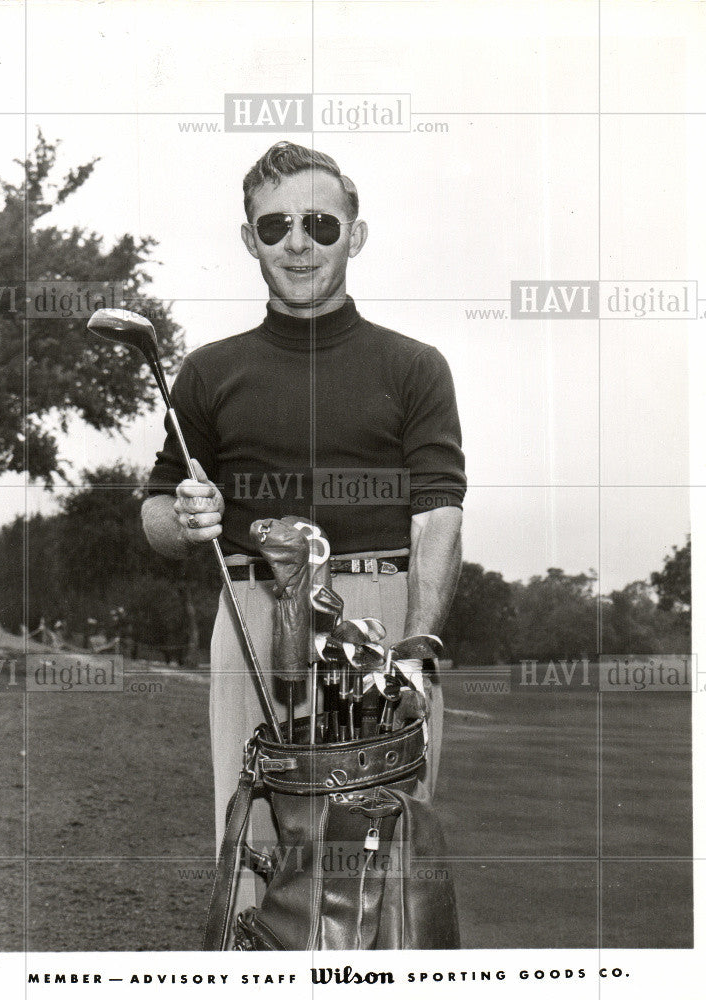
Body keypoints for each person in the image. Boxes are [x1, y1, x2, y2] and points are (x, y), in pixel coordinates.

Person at [141, 141, 466, 910]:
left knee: (379, 876)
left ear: (353, 235)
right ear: (248, 238)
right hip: (254, 616)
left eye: (320, 224)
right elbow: (156, 508)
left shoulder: (414, 366)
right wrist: (182, 520)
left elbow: (438, 516)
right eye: (275, 224)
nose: (297, 242)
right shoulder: (208, 371)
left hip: (381, 622)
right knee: (258, 860)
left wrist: (416, 648)